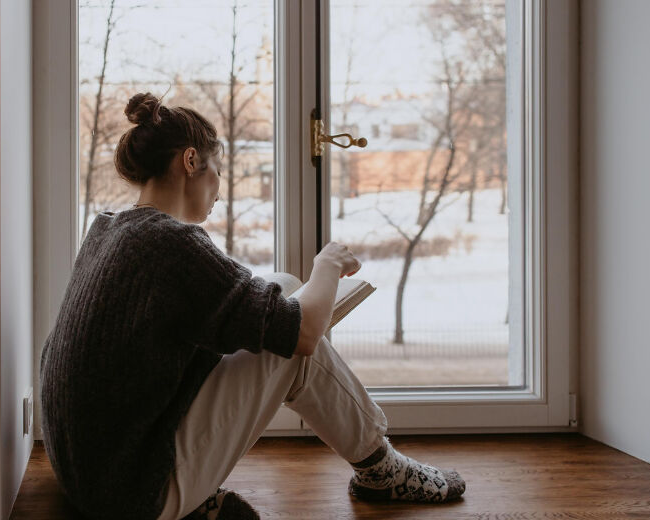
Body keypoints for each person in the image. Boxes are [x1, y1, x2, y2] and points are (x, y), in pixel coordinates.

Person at [40, 92, 466, 520]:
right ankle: (380, 469)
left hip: (86, 475)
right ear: (191, 162)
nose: (220, 189)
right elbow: (301, 335)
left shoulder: (109, 228)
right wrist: (328, 263)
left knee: (280, 286)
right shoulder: (171, 243)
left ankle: (204, 496)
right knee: (292, 345)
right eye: (218, 170)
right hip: (133, 497)